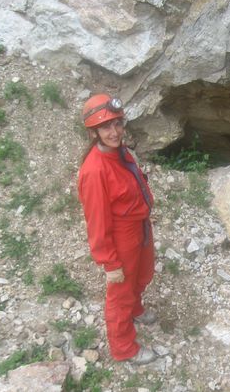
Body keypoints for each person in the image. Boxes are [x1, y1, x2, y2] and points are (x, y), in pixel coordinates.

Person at [77, 93, 157, 365]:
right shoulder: (94, 171)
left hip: (139, 228)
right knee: (120, 293)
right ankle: (124, 348)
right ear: (94, 132)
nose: (114, 132)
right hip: (121, 237)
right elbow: (97, 222)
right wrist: (110, 263)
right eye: (105, 127)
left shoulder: (121, 152)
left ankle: (136, 308)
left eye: (117, 124)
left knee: (142, 274)